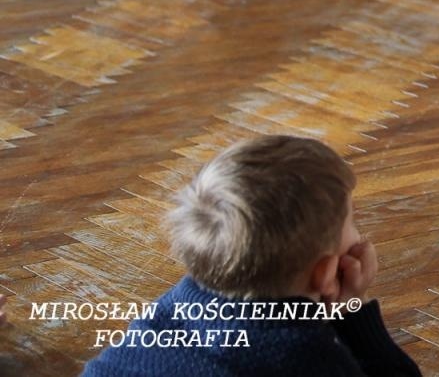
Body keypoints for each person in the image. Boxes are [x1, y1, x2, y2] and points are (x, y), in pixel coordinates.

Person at [83, 134, 420, 376]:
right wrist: (353, 311)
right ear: (325, 272)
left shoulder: (170, 309)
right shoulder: (305, 356)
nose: (359, 232)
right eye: (352, 220)